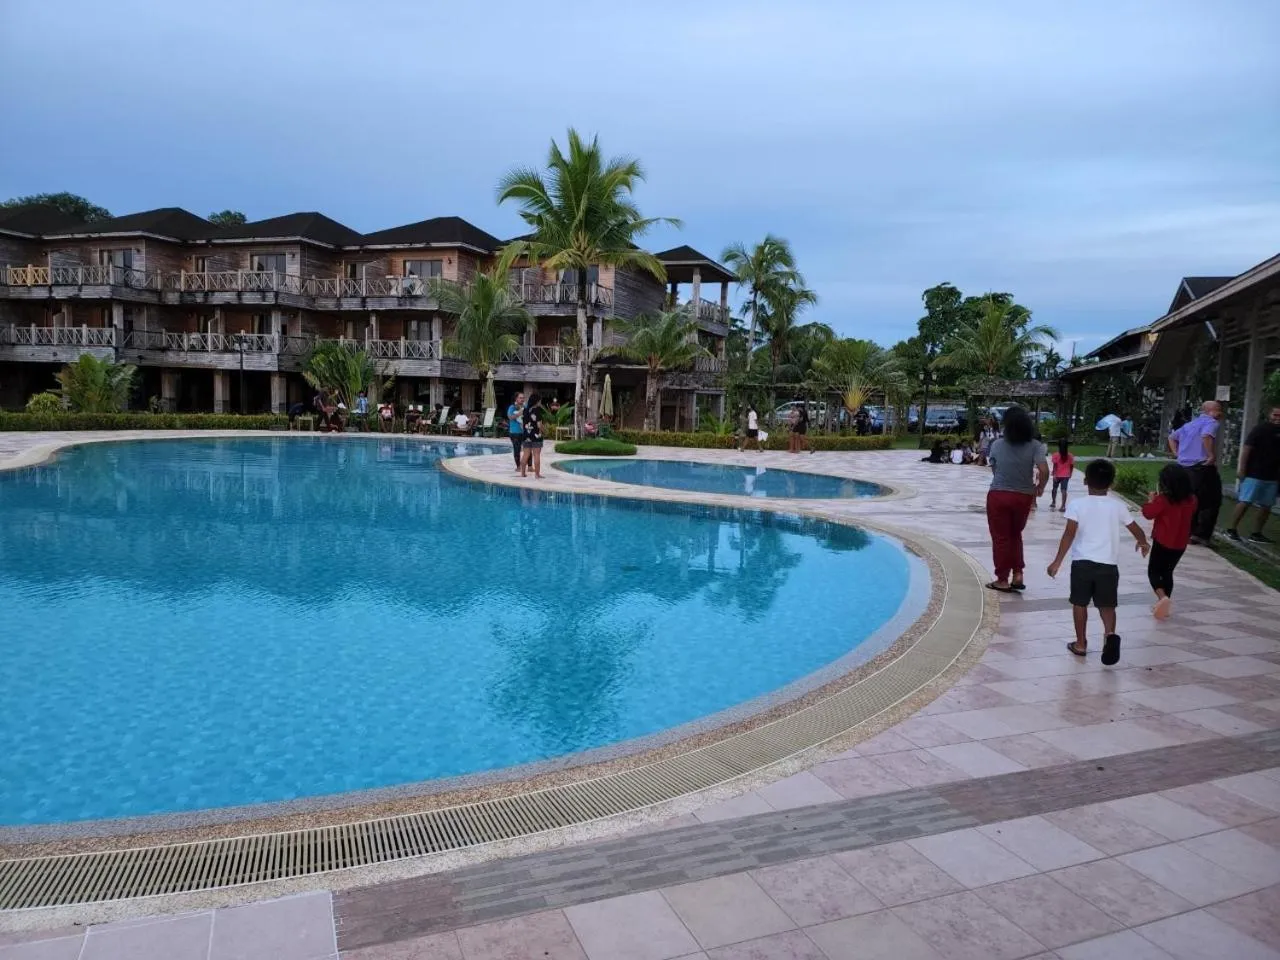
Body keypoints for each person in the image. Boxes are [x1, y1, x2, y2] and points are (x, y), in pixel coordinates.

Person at [1047, 459, 1150, 665]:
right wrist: (1143, 542)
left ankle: (1080, 644)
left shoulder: (1077, 505)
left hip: (1082, 564)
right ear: (1111, 483)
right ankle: (1109, 635)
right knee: (1107, 605)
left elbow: (1069, 534)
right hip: (1108, 566)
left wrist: (1057, 562)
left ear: (1085, 481)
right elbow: (1136, 529)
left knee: (1079, 603)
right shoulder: (1118, 506)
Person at [985, 406, 1049, 592]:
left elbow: (995, 469)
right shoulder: (1035, 445)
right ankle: (1018, 573)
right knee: (1015, 534)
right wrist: (1040, 487)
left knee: (1001, 538)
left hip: (998, 495)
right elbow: (1044, 470)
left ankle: (1002, 579)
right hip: (1023, 496)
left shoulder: (997, 444)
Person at [1143, 463, 1197, 620]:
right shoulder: (1192, 499)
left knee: (1154, 572)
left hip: (1163, 541)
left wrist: (1151, 500)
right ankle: (1164, 605)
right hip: (1180, 543)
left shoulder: (1163, 500)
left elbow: (1148, 513)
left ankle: (1162, 598)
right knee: (1167, 572)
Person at [1169, 400, 1223, 544]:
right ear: (1209, 411)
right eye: (1218, 409)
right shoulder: (1211, 422)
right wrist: (1211, 455)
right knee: (1212, 500)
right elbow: (1206, 435)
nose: (1220, 413)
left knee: (1190, 499)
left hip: (1184, 467)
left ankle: (1187, 531)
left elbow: (1172, 437)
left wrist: (1177, 454)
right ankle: (1200, 534)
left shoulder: (1189, 425)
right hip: (1201, 466)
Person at [1227, 405, 1280, 543]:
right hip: (1254, 473)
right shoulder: (1260, 429)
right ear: (1269, 415)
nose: (1277, 418)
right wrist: (1242, 469)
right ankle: (1231, 529)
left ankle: (1256, 533)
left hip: (1273, 476)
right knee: (1245, 501)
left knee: (1267, 505)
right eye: (1275, 415)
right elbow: (1247, 448)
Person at [519, 392, 544, 479]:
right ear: (537, 401)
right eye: (540, 400)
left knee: (525, 454)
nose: (540, 402)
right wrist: (544, 431)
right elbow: (539, 425)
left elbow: (522, 424)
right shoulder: (537, 410)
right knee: (536, 454)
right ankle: (537, 475)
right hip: (536, 435)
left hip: (526, 435)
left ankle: (522, 473)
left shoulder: (525, 410)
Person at [1050, 438, 1075, 512]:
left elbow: (1055, 466)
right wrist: (1070, 473)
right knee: (1064, 490)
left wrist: (1054, 474)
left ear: (1058, 446)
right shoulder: (1070, 455)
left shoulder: (1055, 455)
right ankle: (1063, 506)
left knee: (1054, 489)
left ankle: (1053, 502)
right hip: (1066, 475)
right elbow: (1071, 466)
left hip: (1057, 475)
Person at [507, 392, 525, 471]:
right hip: (514, 433)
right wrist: (519, 414)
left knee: (528, 449)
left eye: (523, 398)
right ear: (516, 399)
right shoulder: (512, 407)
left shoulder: (525, 406)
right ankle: (518, 467)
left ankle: (530, 466)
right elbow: (510, 417)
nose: (522, 399)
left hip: (524, 432)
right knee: (517, 450)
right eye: (520, 398)